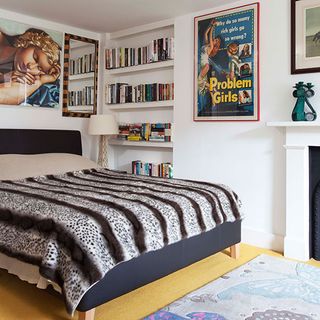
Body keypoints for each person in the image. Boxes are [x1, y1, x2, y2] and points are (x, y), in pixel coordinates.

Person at [0, 28, 61, 106]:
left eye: (39, 69)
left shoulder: (9, 73)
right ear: (30, 42)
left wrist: (40, 81)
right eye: (35, 57)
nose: (30, 66)